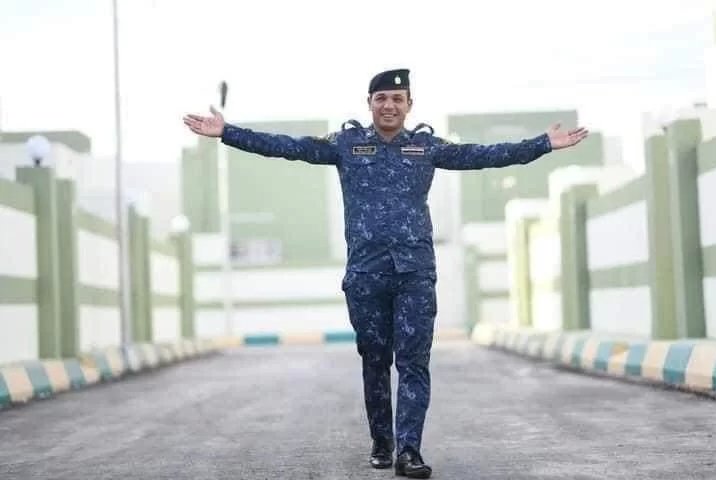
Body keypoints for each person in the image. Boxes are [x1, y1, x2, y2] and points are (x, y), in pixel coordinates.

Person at [183, 68, 588, 479]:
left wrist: (542, 144)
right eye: (381, 99)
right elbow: (288, 147)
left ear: (409, 105)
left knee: (414, 362)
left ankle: (409, 450)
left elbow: (484, 155)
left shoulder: (426, 147)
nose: (389, 106)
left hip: (415, 274)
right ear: (370, 104)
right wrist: (228, 132)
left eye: (397, 99)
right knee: (375, 361)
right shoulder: (347, 144)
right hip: (366, 275)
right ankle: (382, 440)